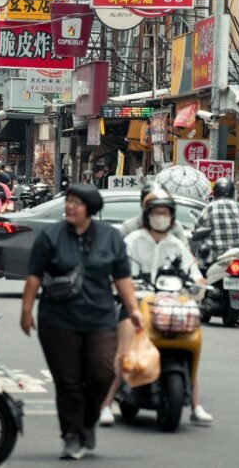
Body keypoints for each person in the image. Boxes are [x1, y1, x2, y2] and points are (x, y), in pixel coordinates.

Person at [21, 184, 141, 460]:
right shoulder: (50, 236)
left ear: (91, 208)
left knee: (102, 373)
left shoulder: (111, 237)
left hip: (100, 317)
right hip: (58, 319)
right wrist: (26, 311)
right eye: (68, 201)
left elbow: (122, 276)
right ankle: (72, 435)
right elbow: (34, 276)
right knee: (68, 381)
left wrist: (133, 309)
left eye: (77, 202)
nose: (70, 207)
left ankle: (89, 420)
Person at [99, 190, 213, 428]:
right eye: (156, 212)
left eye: (165, 213)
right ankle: (107, 404)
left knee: (191, 348)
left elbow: (195, 274)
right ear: (147, 215)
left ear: (172, 217)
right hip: (136, 304)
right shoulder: (133, 241)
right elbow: (119, 272)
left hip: (172, 306)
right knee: (124, 351)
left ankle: (195, 405)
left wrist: (201, 284)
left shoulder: (177, 245)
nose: (161, 217)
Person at [192, 178, 239, 256]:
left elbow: (198, 226)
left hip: (216, 255)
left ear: (215, 192)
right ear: (232, 192)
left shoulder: (210, 207)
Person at [119, 183, 184, 241]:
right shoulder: (129, 228)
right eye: (154, 211)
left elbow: (184, 251)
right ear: (143, 204)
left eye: (164, 211)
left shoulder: (176, 227)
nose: (160, 215)